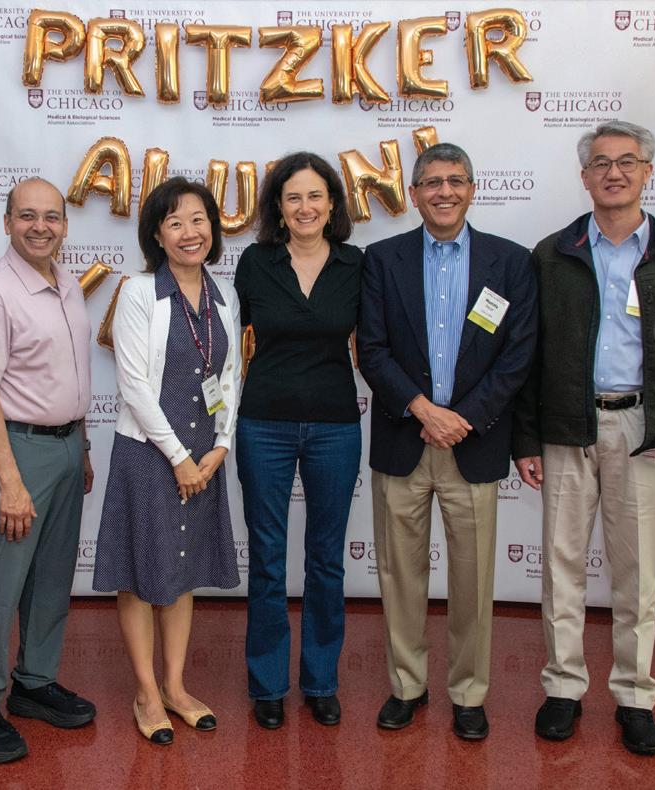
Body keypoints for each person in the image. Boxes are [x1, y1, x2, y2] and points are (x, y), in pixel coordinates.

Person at [513, 120, 655, 756]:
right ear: (584, 177)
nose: (614, 173)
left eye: (627, 161)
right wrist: (526, 439)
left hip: (646, 429)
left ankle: (635, 696)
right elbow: (528, 355)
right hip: (566, 426)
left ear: (647, 172)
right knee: (561, 566)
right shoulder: (552, 254)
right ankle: (563, 688)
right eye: (601, 163)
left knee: (636, 572)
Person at [357, 143, 537, 739]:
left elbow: (517, 356)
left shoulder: (510, 262)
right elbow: (372, 350)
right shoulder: (382, 260)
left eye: (456, 180)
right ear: (414, 194)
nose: (445, 192)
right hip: (403, 440)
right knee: (399, 576)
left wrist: (463, 418)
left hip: (473, 444)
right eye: (432, 182)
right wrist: (423, 410)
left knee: (473, 581)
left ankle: (469, 693)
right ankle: (407, 686)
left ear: (472, 189)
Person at [0, 177, 96, 764]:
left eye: (51, 217)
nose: (41, 227)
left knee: (52, 574)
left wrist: (82, 447)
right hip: (16, 450)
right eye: (28, 216)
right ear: (7, 222)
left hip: (67, 446)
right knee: (1, 580)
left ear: (65, 225)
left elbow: (67, 373)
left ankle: (34, 682)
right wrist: (10, 482)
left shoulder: (66, 282)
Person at [93, 176, 241, 745]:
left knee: (180, 573)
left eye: (198, 220)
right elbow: (133, 384)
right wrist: (179, 457)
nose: (189, 232)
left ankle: (176, 687)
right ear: (157, 235)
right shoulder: (138, 292)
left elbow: (229, 376)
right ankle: (146, 694)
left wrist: (220, 446)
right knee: (139, 575)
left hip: (204, 456)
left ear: (213, 229)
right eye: (175, 222)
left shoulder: (223, 295)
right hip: (149, 454)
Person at [234, 152, 362, 730]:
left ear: (332, 204)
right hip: (264, 424)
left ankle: (320, 680)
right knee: (266, 558)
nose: (305, 207)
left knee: (326, 560)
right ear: (278, 208)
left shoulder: (356, 264)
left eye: (315, 196)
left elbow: (375, 344)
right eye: (293, 198)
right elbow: (226, 340)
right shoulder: (255, 262)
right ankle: (267, 683)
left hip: (336, 427)